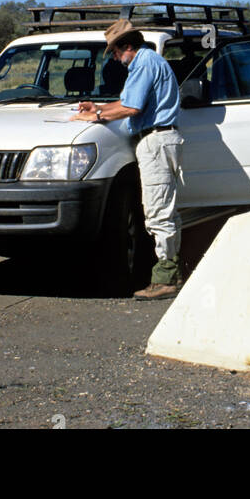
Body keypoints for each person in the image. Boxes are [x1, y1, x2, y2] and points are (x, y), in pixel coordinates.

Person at [72, 19, 183, 299]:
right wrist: (100, 108)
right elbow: (128, 102)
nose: (115, 58)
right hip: (157, 139)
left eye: (115, 52)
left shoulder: (144, 64)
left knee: (158, 209)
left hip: (155, 140)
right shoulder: (147, 61)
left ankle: (166, 279)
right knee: (162, 207)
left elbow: (132, 107)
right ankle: (169, 272)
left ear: (127, 46)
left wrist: (96, 116)